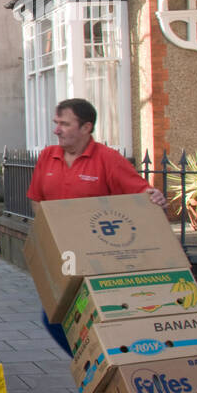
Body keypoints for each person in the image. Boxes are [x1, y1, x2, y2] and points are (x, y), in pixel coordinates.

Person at [27, 97, 166, 356]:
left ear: (86, 127)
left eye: (64, 124)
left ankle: (106, 369)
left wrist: (153, 195)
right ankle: (92, 365)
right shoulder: (48, 156)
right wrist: (49, 234)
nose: (56, 130)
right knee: (54, 318)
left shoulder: (107, 159)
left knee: (98, 316)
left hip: (99, 259)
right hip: (62, 257)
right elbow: (37, 200)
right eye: (56, 123)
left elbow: (140, 193)